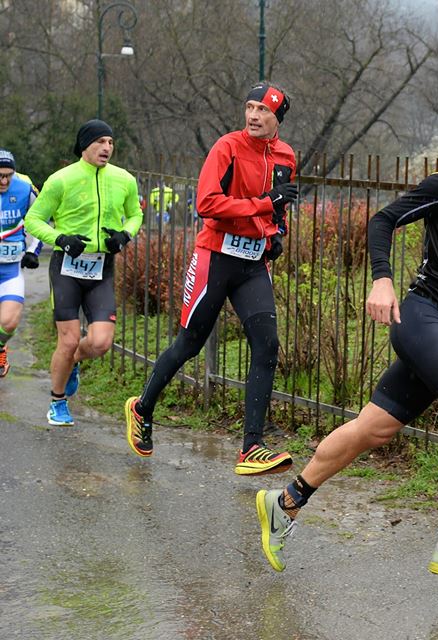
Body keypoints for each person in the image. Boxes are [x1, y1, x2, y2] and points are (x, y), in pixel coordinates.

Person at [254, 98, 438, 582]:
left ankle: (284, 501)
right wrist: (381, 279)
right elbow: (383, 220)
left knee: (374, 429)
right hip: (421, 316)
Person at [123, 82, 297, 475]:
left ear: (277, 118)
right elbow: (207, 204)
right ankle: (142, 407)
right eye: (249, 107)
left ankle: (251, 446)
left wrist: (277, 233)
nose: (253, 116)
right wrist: (264, 205)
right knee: (190, 342)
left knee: (267, 345)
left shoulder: (286, 155)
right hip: (215, 256)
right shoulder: (227, 147)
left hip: (253, 264)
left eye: (262, 111)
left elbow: (280, 205)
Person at [24, 120, 142, 426]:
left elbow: (135, 214)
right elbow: (33, 220)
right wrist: (60, 239)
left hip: (101, 266)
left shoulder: (124, 180)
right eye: (100, 141)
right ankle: (57, 401)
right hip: (66, 267)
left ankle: (74, 360)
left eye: (111, 142)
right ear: (84, 145)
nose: (106, 148)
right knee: (68, 338)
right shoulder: (61, 180)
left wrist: (125, 235)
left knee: (100, 342)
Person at [0, 149, 42, 378]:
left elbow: (40, 218)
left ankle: (0, 348)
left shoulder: (25, 188)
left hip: (10, 271)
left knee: (9, 323)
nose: (4, 181)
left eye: (9, 175)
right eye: (0, 176)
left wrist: (32, 250)